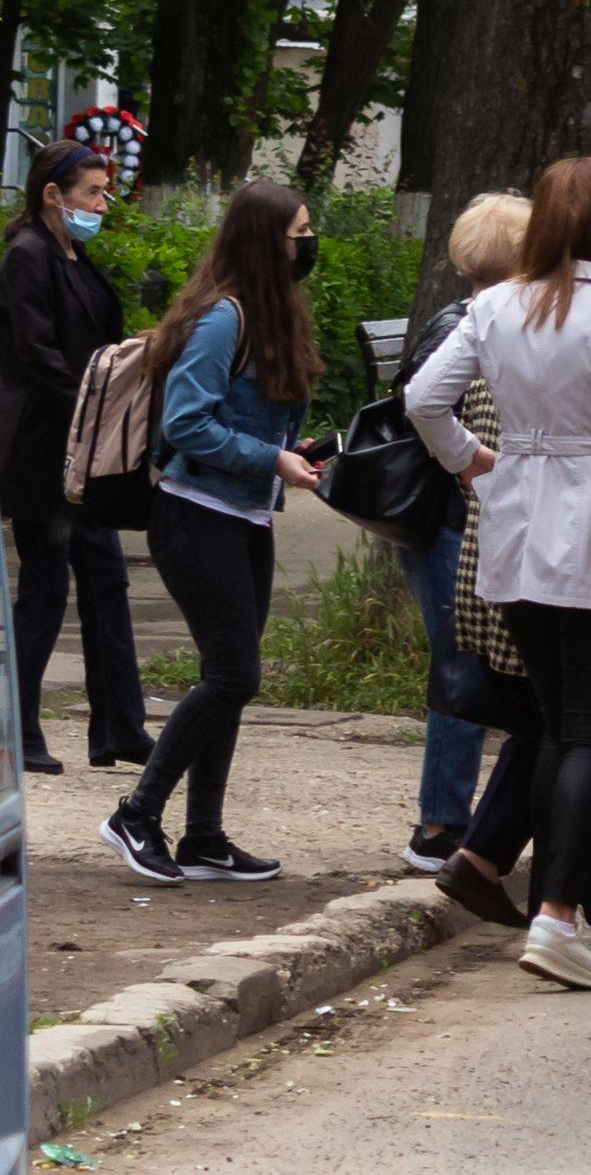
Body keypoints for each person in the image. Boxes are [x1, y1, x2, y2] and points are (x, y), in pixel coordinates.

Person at [406, 157, 591, 992]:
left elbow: (422, 399)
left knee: (557, 723)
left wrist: (473, 460)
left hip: (513, 524)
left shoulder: (493, 304)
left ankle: (569, 913)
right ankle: (559, 914)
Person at [99, 180, 323, 884]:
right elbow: (185, 424)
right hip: (195, 516)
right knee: (233, 674)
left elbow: (251, 416)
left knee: (229, 678)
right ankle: (136, 815)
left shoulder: (270, 312)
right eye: (300, 233)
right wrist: (269, 458)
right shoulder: (224, 318)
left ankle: (203, 838)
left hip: (244, 517)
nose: (308, 245)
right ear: (267, 242)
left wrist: (294, 450)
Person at [390, 192, 531, 873]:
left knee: (466, 662)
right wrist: (474, 460)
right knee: (461, 666)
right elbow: (421, 408)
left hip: (452, 519)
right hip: (447, 520)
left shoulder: (469, 316)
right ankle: (440, 826)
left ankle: (453, 816)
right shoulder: (468, 324)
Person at [0, 140, 152, 776]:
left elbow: (97, 339)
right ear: (52, 196)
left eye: (103, 192)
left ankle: (119, 726)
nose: (100, 203)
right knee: (44, 586)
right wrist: (96, 402)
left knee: (106, 577)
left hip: (87, 446)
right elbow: (36, 353)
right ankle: (17, 728)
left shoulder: (73, 252)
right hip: (43, 446)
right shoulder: (27, 255)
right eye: (91, 193)